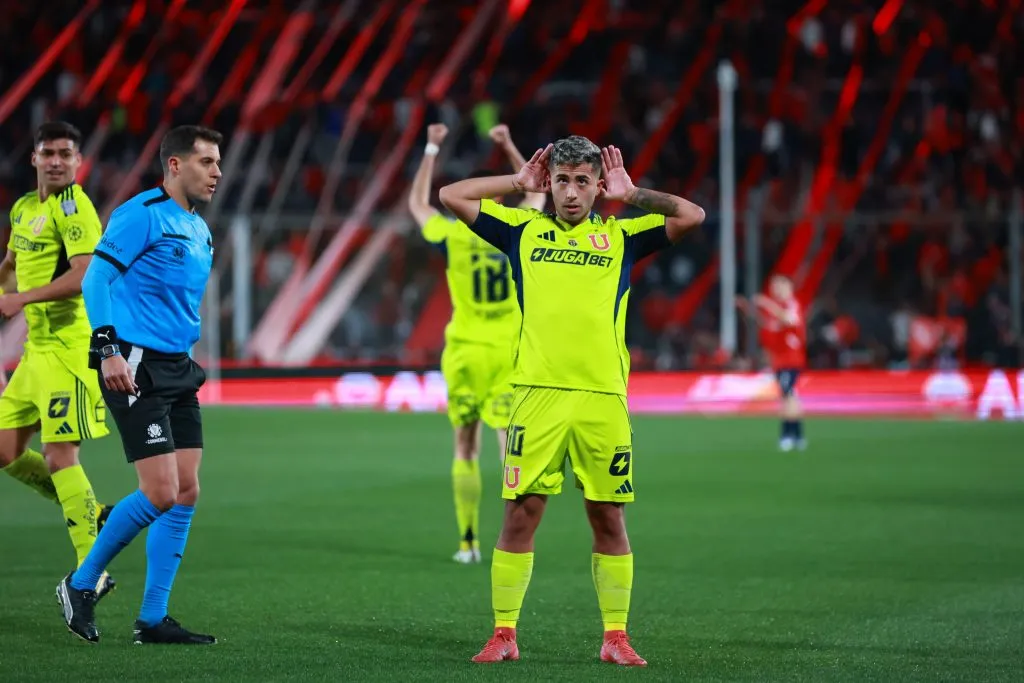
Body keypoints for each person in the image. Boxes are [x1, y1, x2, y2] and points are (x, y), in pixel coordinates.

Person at [439, 136, 706, 666]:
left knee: (608, 519)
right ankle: (504, 634)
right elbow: (453, 195)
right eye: (562, 180)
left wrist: (632, 195)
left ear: (597, 186)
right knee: (520, 516)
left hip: (603, 400)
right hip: (536, 397)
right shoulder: (523, 230)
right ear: (551, 182)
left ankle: (615, 637)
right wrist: (517, 184)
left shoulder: (622, 236)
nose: (571, 191)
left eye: (583, 181)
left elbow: (691, 215)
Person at [56, 125, 221, 645]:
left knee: (187, 489)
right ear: (175, 166)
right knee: (160, 491)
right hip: (133, 366)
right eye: (206, 162)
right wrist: (106, 350)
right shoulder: (140, 214)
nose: (217, 172)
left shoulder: (199, 228)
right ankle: (80, 584)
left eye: (218, 162)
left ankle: (152, 619)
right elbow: (95, 280)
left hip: (178, 367)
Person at [408, 122, 546, 564]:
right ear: (502, 200)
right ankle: (513, 538)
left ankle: (468, 542)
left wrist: (431, 147)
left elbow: (416, 204)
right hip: (508, 349)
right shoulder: (515, 230)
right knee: (511, 447)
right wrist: (509, 145)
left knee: (464, 446)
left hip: (465, 348)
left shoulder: (453, 233)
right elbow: (538, 193)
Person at [0, 121, 114, 597]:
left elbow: (84, 275)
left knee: (59, 454)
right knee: (4, 451)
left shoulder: (75, 208)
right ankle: (90, 510)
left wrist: (21, 300)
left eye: (66, 154)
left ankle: (92, 571)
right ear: (34, 159)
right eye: (49, 153)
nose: (57, 161)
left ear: (78, 161)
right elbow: (10, 264)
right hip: (35, 353)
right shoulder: (26, 207)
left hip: (69, 348)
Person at [738, 275, 807, 451]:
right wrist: (748, 309)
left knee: (788, 396)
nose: (776, 291)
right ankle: (796, 436)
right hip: (780, 361)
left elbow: (787, 320)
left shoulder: (791, 305)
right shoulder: (780, 308)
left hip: (791, 360)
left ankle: (789, 435)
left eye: (779, 286)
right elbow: (768, 323)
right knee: (788, 396)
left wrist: (766, 303)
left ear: (788, 286)